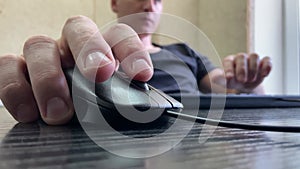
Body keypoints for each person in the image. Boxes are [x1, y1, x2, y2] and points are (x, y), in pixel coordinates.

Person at [0, 0, 272, 125]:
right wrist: (60, 77)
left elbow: (223, 87)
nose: (149, 6)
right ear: (115, 3)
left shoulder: (185, 52)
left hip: (195, 134)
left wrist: (247, 83)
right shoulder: (90, 57)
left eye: (157, 0)